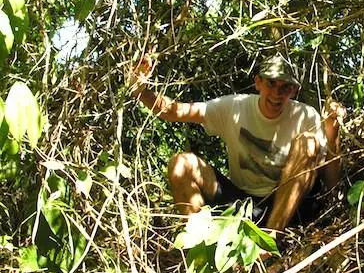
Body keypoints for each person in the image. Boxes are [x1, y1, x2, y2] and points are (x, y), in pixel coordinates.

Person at [129, 53, 344, 231]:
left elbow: (331, 182)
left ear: (293, 91)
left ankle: (269, 243)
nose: (277, 94)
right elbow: (175, 111)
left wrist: (332, 133)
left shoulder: (305, 116)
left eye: (285, 87)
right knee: (181, 164)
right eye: (271, 83)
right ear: (258, 82)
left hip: (288, 210)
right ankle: (203, 261)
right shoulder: (235, 108)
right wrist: (139, 88)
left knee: (307, 142)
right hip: (240, 205)